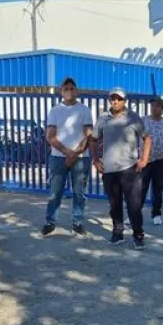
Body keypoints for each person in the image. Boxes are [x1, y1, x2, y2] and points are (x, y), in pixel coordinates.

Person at [93, 87, 151, 249]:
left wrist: (144, 159)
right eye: (113, 98)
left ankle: (138, 234)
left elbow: (147, 138)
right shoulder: (103, 118)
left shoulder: (133, 117)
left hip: (129, 169)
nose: (115, 101)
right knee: (114, 204)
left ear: (124, 101)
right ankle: (117, 233)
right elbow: (94, 139)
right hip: (109, 169)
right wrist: (95, 160)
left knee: (134, 205)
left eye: (119, 99)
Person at [42, 77, 93, 236]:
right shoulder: (55, 111)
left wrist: (75, 153)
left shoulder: (84, 110)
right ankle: (50, 222)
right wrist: (67, 152)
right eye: (66, 89)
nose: (69, 91)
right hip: (58, 157)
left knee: (79, 193)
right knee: (55, 192)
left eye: (72, 88)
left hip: (81, 157)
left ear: (77, 91)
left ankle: (77, 222)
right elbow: (50, 136)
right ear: (61, 91)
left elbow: (88, 135)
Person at [139, 98, 163, 226]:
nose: (154, 108)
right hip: (144, 161)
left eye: (157, 106)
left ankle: (156, 214)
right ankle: (135, 213)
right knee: (141, 188)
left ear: (162, 109)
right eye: (152, 106)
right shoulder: (143, 121)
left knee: (158, 189)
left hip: (160, 162)